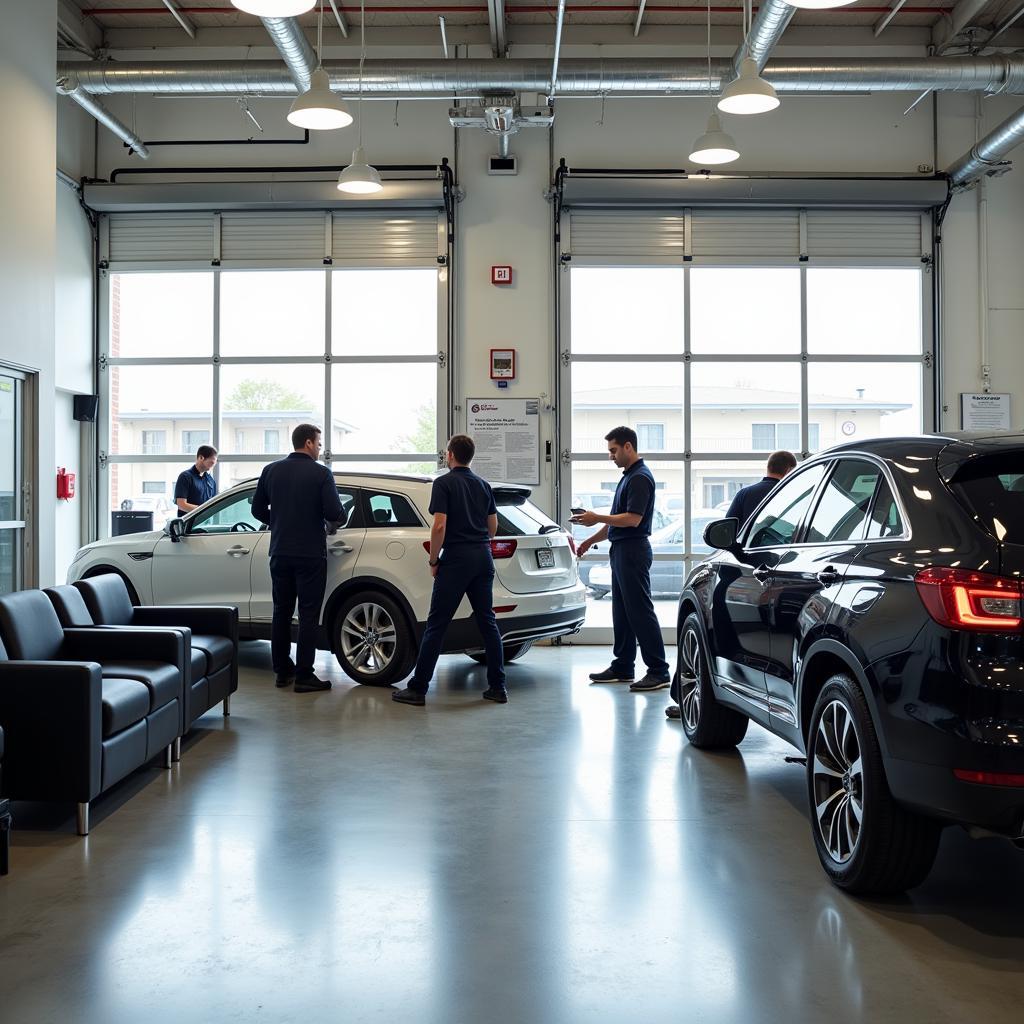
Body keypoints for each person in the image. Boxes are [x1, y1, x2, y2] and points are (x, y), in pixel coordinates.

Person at [665, 449, 797, 721]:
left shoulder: (746, 494)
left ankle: (690, 696)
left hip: (748, 576)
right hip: (787, 579)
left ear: (770, 467)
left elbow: (726, 534)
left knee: (712, 631)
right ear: (789, 470)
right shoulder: (791, 496)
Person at [392, 434, 507, 707]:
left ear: (450, 455)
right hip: (482, 557)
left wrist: (434, 560)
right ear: (471, 456)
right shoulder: (483, 485)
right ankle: (498, 687)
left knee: (437, 625)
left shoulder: (443, 484)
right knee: (488, 622)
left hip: (456, 559)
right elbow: (493, 526)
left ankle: (418, 688)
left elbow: (439, 526)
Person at [574, 426, 670, 693]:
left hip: (633, 550)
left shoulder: (640, 478)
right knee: (623, 613)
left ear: (628, 447)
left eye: (613, 450)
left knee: (639, 611)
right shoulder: (628, 477)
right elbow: (617, 521)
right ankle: (623, 665)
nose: (611, 456)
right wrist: (589, 540)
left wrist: (597, 516)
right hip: (621, 549)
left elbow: (632, 519)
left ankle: (659, 670)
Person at [252, 423, 343, 694]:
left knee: (280, 612)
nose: (320, 448)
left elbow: (257, 510)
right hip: (309, 554)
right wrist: (329, 523)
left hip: (280, 551)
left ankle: (282, 672)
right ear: (307, 443)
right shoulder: (321, 474)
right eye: (318, 443)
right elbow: (333, 511)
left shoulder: (271, 471)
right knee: (307, 614)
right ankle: (304, 675)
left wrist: (279, 522)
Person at [724, 449, 798, 526]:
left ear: (768, 467)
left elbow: (727, 527)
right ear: (789, 470)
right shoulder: (792, 496)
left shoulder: (744, 493)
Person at [174, 445, 218, 516]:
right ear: (201, 458)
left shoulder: (211, 481)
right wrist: (204, 510)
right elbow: (181, 505)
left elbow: (213, 504)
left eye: (214, 463)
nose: (213, 466)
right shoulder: (185, 477)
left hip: (206, 524)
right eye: (211, 463)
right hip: (188, 524)